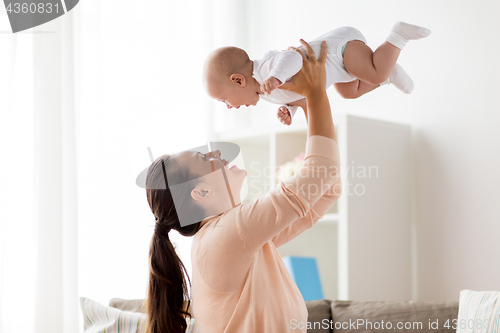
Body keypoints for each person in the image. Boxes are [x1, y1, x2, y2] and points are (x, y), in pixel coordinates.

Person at [144, 40, 342, 333]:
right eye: (204, 157)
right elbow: (321, 176)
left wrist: (306, 102)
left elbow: (326, 188)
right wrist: (314, 94)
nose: (216, 153)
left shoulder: (235, 236)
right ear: (200, 193)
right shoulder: (227, 235)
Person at [203, 22, 431, 125]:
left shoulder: (265, 70)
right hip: (339, 72)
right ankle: (389, 73)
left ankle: (398, 36)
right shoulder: (264, 92)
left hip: (339, 50)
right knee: (350, 92)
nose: (229, 107)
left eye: (224, 100)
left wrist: (276, 77)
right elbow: (299, 91)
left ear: (238, 80)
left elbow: (292, 57)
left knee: (375, 73)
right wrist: (290, 111)